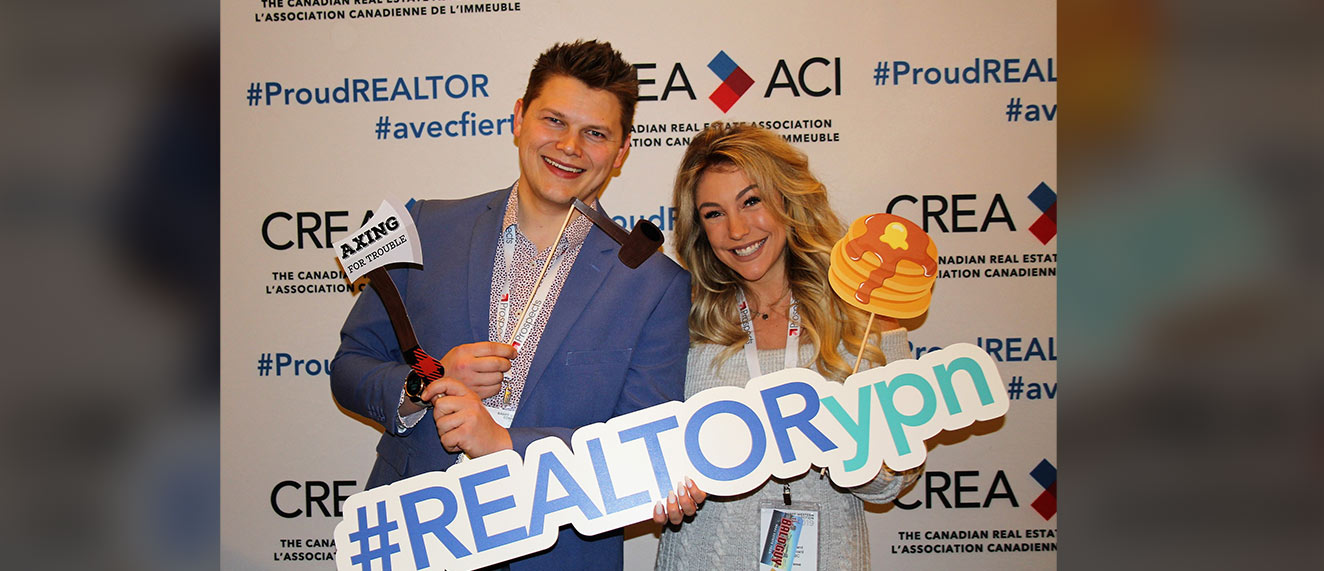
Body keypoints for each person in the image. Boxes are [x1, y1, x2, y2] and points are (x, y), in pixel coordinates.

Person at [330, 39, 699, 570]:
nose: (570, 146)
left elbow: (639, 446)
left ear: (619, 154)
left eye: (595, 133)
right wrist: (427, 379)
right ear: (519, 119)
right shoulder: (427, 226)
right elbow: (351, 367)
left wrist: (505, 443)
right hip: (414, 538)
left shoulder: (653, 284)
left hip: (560, 551)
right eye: (554, 120)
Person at [654, 122, 922, 570]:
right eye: (713, 213)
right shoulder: (684, 319)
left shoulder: (864, 315)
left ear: (788, 199)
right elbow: (650, 455)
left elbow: (896, 481)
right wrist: (661, 489)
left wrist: (842, 443)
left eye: (751, 201)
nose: (737, 230)